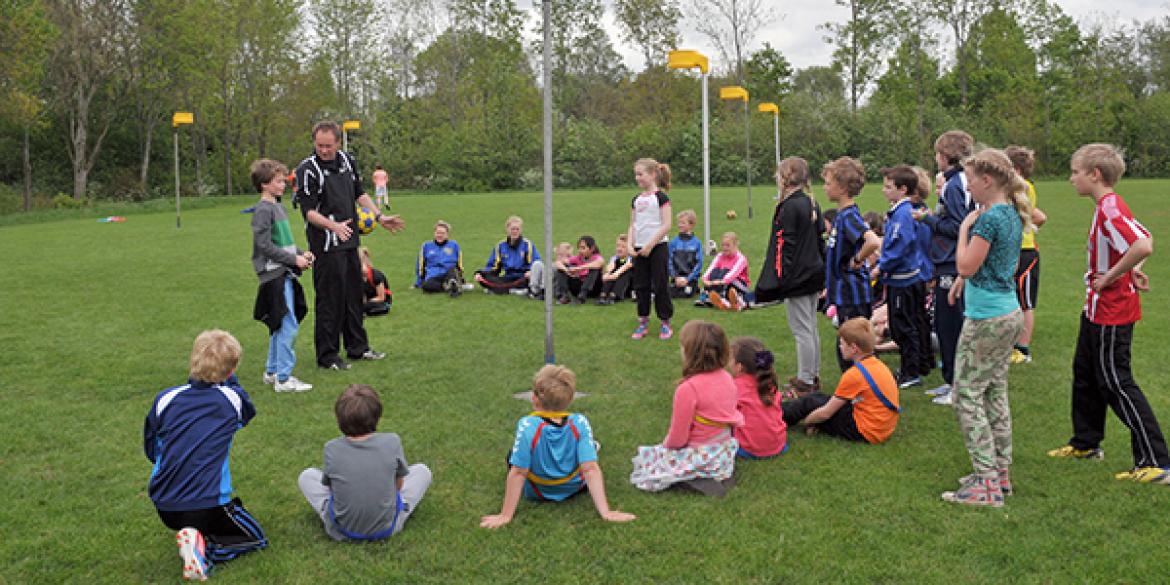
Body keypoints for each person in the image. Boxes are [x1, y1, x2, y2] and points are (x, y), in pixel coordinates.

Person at [1047, 143, 1170, 485]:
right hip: (1095, 309)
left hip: (1112, 312)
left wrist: (1113, 276)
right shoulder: (1108, 206)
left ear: (1094, 174)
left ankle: (1156, 461)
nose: (1071, 179)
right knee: (1084, 373)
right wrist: (1133, 269)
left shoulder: (1110, 209)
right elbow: (1145, 237)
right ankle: (1086, 442)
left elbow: (1142, 245)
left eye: (1075, 172)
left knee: (1116, 382)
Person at [936, 149, 1029, 507]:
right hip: (1007, 313)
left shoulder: (986, 220)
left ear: (987, 181)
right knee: (994, 390)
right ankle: (999, 474)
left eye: (971, 179)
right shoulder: (1010, 214)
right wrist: (966, 281)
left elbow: (966, 265)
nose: (967, 185)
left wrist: (963, 230)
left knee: (967, 395)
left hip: (987, 320)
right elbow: (992, 265)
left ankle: (986, 485)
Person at [144, 330, 267, 581]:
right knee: (255, 537)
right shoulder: (231, 399)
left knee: (220, 515)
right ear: (231, 370)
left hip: (164, 505)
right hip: (207, 504)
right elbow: (247, 411)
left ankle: (192, 534)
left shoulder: (165, 399)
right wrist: (229, 379)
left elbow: (151, 449)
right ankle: (204, 549)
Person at [296, 121, 401, 371]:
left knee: (354, 296)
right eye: (319, 146)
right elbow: (308, 212)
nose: (324, 150)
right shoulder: (308, 170)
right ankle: (328, 355)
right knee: (330, 300)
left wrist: (379, 216)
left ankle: (358, 347)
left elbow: (359, 193)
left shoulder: (346, 160)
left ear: (338, 143)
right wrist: (333, 227)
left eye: (328, 146)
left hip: (350, 242)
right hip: (325, 245)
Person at [480, 365, 636, 528]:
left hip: (537, 492)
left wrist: (505, 515)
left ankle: (584, 449)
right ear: (570, 399)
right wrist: (606, 512)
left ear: (534, 398)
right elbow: (590, 468)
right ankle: (589, 447)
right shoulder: (580, 422)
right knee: (585, 453)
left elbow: (519, 472)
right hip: (574, 488)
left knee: (512, 456)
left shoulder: (527, 425)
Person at [298, 384, 432, 540]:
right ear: (377, 417)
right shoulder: (392, 441)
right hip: (388, 527)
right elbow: (399, 486)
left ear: (338, 418)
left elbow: (331, 488)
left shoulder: (331, 448)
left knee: (307, 476)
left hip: (341, 530)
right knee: (422, 471)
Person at [630, 321, 744, 497]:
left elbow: (678, 438)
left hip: (701, 454)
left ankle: (697, 479)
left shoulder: (688, 389)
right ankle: (717, 476)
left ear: (690, 353)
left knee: (649, 462)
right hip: (724, 452)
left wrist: (666, 446)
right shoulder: (727, 378)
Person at [915, 130, 977, 404]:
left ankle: (958, 387)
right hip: (948, 262)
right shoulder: (957, 182)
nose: (935, 160)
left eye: (937, 154)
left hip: (952, 263)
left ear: (946, 156)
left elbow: (959, 225)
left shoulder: (955, 185)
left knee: (952, 325)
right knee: (944, 323)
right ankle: (950, 379)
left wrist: (928, 219)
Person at [756, 157, 825, 395]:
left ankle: (807, 379)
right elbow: (819, 241)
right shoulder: (810, 203)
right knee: (810, 326)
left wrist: (780, 279)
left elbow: (784, 247)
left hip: (798, 277)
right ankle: (812, 374)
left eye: (778, 174)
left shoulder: (790, 206)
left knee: (802, 329)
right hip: (813, 273)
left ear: (787, 177)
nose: (776, 178)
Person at [250, 158, 314, 393]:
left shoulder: (278, 207)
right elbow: (264, 246)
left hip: (284, 271)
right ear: (265, 184)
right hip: (273, 274)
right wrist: (293, 260)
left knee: (279, 323)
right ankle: (284, 379)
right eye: (278, 181)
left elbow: (283, 243)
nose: (283, 184)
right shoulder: (263, 210)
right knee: (289, 325)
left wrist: (301, 254)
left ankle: (272, 371)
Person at [782, 318, 900, 444]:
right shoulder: (878, 365)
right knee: (818, 399)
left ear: (854, 348)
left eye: (842, 343)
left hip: (865, 431)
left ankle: (774, 417)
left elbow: (825, 413)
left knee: (810, 402)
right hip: (883, 427)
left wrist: (808, 421)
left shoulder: (854, 375)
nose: (840, 347)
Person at [821, 157, 881, 372]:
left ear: (843, 187)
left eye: (828, 183)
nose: (825, 187)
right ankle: (856, 386)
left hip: (853, 294)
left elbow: (872, 241)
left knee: (852, 346)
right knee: (846, 344)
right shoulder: (841, 215)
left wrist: (857, 260)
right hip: (843, 291)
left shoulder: (849, 217)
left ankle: (860, 388)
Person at [877, 166, 933, 391]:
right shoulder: (899, 212)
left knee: (904, 327)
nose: (883, 191)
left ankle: (910, 373)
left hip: (904, 280)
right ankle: (918, 365)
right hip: (903, 278)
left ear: (902, 190)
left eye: (888, 187)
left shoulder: (903, 214)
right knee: (910, 324)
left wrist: (881, 267)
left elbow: (899, 245)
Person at [1004, 146, 1047, 364]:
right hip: (1012, 250)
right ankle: (1011, 343)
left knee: (1025, 302)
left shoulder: (1023, 188)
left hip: (1025, 252)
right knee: (1013, 299)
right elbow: (1039, 216)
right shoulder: (1016, 189)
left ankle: (1023, 348)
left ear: (1017, 170)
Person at [628, 158, 674, 340]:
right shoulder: (636, 200)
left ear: (653, 174)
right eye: (636, 174)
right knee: (641, 285)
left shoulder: (661, 198)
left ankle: (665, 322)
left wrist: (650, 244)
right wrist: (631, 245)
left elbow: (667, 224)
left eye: (641, 174)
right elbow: (633, 224)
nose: (637, 178)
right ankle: (643, 321)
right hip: (639, 249)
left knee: (661, 283)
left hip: (658, 247)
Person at [730, 337, 788, 459]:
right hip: (779, 445)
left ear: (739, 366)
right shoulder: (770, 383)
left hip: (748, 449)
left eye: (730, 359)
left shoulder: (735, 386)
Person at [474, 216, 544, 297]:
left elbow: (536, 262)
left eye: (517, 229)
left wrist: (530, 272)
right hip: (508, 277)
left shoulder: (527, 244)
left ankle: (499, 290)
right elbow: (493, 267)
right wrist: (480, 274)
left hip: (523, 277)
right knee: (483, 277)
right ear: (507, 230)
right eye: (512, 229)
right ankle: (512, 290)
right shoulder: (500, 246)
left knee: (531, 278)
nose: (515, 231)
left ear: (521, 230)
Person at [698, 232, 750, 312]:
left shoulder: (741, 258)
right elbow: (711, 268)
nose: (725, 248)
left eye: (727, 245)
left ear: (735, 245)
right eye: (723, 245)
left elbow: (732, 275)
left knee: (725, 272)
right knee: (715, 271)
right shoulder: (720, 256)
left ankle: (733, 299)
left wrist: (715, 282)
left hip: (739, 285)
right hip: (722, 283)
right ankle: (723, 300)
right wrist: (705, 279)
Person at [415, 220, 464, 297]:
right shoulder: (426, 246)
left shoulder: (454, 245)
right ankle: (448, 287)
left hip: (449, 272)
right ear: (434, 233)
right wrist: (418, 283)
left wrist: (461, 278)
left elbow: (459, 263)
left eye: (442, 233)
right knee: (427, 286)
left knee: (452, 275)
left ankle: (454, 286)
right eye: (438, 233)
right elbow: (420, 266)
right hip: (434, 275)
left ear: (447, 234)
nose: (440, 235)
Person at [553, 235, 605, 305]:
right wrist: (567, 271)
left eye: (583, 248)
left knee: (594, 269)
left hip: (594, 288)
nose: (580, 251)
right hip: (579, 286)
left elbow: (599, 263)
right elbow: (558, 263)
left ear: (592, 248)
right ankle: (563, 296)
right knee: (561, 269)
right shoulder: (578, 257)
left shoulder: (597, 257)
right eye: (579, 248)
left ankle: (582, 297)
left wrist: (578, 268)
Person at [668, 209, 704, 298]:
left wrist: (688, 279)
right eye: (679, 223)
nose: (680, 225)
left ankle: (694, 288)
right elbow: (669, 261)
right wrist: (675, 277)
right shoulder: (673, 242)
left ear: (691, 225)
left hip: (690, 279)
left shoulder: (696, 243)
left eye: (683, 223)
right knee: (669, 293)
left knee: (686, 294)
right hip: (677, 278)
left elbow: (699, 263)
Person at [598, 234, 635, 305]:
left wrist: (610, 276)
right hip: (615, 278)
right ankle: (603, 295)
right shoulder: (614, 258)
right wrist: (607, 273)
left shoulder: (631, 259)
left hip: (628, 285)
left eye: (623, 247)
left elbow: (622, 270)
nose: (619, 249)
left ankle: (614, 296)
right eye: (618, 246)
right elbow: (609, 269)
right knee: (612, 272)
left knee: (626, 273)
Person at [358, 247, 391, 316]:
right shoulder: (357, 277)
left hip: (381, 302)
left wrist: (366, 303)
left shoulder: (376, 275)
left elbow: (381, 297)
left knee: (365, 307)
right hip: (368, 301)